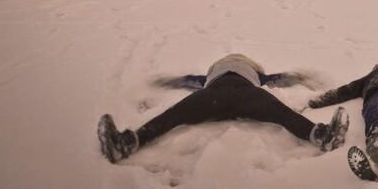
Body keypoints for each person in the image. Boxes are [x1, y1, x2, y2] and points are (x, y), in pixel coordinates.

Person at [96, 53, 349, 163]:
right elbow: (277, 78)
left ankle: (129, 142)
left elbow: (190, 81)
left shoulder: (226, 74)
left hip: (216, 96)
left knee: (174, 115)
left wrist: (300, 76)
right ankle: (320, 135)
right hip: (244, 95)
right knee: (280, 113)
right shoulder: (251, 74)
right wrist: (297, 75)